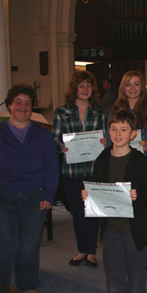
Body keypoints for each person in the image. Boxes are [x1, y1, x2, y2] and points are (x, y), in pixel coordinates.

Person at [0, 84, 59, 293]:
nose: (23, 107)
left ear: (32, 108)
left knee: (29, 247)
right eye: (18, 102)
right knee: (2, 248)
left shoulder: (42, 135)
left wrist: (49, 196)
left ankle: (27, 285)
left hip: (34, 198)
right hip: (1, 199)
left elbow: (52, 166)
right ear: (10, 105)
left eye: (28, 103)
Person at [82, 110, 147, 293]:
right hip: (111, 230)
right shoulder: (102, 159)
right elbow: (96, 187)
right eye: (114, 129)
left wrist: (138, 196)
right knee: (114, 279)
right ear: (108, 131)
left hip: (135, 231)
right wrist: (88, 195)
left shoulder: (140, 160)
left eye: (123, 129)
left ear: (132, 134)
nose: (118, 133)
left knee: (136, 278)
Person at [51, 70, 106, 268]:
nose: (85, 89)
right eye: (81, 86)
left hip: (93, 169)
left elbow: (106, 139)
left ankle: (91, 252)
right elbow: (54, 139)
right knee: (78, 212)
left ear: (93, 89)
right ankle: (81, 249)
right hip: (72, 171)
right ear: (74, 89)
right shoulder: (62, 112)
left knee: (92, 212)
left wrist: (104, 141)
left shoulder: (99, 113)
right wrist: (61, 147)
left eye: (88, 86)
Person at [109, 71, 147, 170]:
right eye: (128, 84)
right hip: (120, 163)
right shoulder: (114, 112)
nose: (132, 88)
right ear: (123, 88)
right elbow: (109, 141)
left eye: (137, 84)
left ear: (142, 87)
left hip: (144, 163)